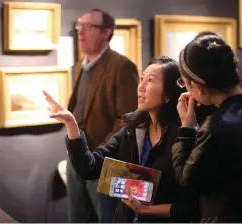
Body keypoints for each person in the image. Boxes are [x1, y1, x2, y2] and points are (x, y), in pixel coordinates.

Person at [43, 56, 200, 223]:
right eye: (141, 79)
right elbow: (89, 167)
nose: (141, 87)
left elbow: (193, 205)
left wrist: (147, 210)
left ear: (168, 94)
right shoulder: (132, 130)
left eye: (150, 81)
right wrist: (71, 124)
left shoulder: (184, 135)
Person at [65, 8, 139, 223]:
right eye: (79, 25)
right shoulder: (79, 66)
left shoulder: (121, 66)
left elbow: (128, 119)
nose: (80, 32)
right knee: (77, 219)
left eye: (88, 26)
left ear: (106, 32)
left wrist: (99, 153)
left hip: (104, 162)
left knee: (108, 219)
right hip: (77, 158)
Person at [172, 34, 242, 222]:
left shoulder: (217, 126)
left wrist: (186, 130)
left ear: (199, 87)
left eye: (184, 83)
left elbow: (187, 182)